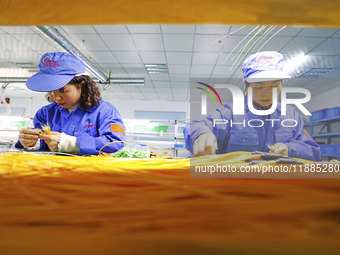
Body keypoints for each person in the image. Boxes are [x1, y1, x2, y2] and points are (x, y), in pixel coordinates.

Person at [184, 51, 321, 161]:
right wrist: (200, 134)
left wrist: (290, 149)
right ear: (246, 85)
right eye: (258, 87)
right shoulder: (231, 113)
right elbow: (195, 125)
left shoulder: (291, 115)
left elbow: (313, 151)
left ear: (282, 83)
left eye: (274, 86)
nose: (266, 93)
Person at [16, 52, 126, 156]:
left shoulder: (105, 111)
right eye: (50, 90)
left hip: (90, 173)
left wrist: (73, 144)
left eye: (62, 90)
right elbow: (41, 143)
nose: (55, 97)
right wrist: (31, 142)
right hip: (52, 172)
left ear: (82, 85)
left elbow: (116, 141)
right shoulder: (45, 113)